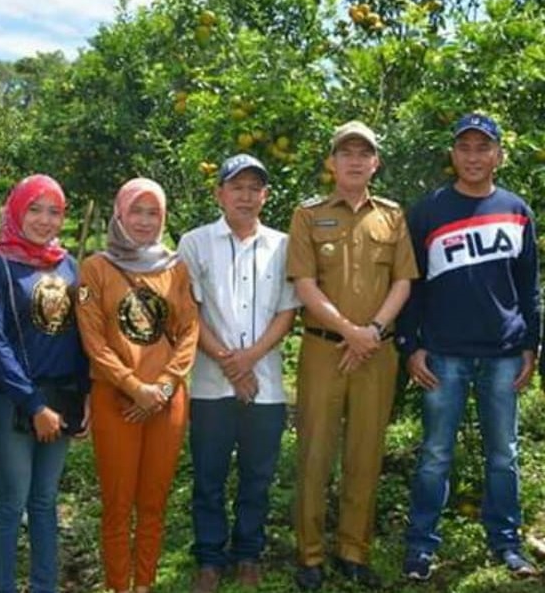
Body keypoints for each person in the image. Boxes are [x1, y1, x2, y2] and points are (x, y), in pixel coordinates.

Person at [397, 113, 541, 581]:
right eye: (466, 148)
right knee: (435, 453)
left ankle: (507, 543)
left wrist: (531, 345)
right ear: (453, 154)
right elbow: (411, 284)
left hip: (503, 353)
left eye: (484, 148)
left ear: (498, 154)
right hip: (443, 353)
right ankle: (421, 548)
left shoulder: (517, 210)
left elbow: (527, 287)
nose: (474, 156)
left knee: (504, 455)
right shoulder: (428, 211)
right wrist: (411, 346)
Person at [286, 121, 418, 590]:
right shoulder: (308, 215)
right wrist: (349, 331)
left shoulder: (392, 216)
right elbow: (304, 284)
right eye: (346, 153)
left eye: (364, 154)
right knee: (315, 452)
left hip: (377, 355)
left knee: (365, 452)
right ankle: (310, 555)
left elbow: (403, 280)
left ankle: (353, 552)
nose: (356, 161)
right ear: (332, 162)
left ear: (375, 163)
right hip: (325, 350)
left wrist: (374, 331)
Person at [178, 154, 300, 593]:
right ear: (220, 194)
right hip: (212, 384)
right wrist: (231, 362)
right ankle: (210, 558)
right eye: (237, 187)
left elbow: (288, 312)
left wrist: (249, 360)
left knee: (258, 476)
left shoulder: (284, 244)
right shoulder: (195, 242)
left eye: (255, 188)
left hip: (264, 384)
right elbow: (188, 311)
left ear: (265, 196)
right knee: (209, 476)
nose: (246, 196)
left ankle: (248, 553)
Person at [76, 177, 199, 593]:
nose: (145, 221)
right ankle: (118, 586)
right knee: (117, 504)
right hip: (116, 399)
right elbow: (93, 340)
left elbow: (189, 332)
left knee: (153, 502)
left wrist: (162, 387)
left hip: (167, 401)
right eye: (137, 211)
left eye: (154, 213)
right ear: (119, 214)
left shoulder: (175, 267)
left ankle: (144, 583)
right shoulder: (96, 268)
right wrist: (134, 386)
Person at [0, 174, 90, 593]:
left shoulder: (67, 264)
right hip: (13, 400)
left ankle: (45, 586)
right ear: (16, 211)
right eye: (34, 209)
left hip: (62, 398)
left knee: (44, 501)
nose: (44, 220)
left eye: (54, 211)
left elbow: (81, 335)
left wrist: (84, 396)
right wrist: (33, 404)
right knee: (11, 502)